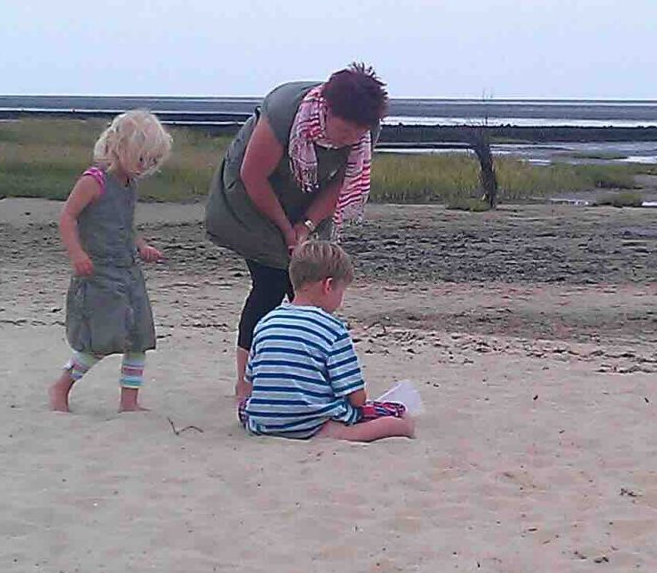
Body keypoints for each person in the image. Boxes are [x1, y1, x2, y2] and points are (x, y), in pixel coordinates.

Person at [204, 65, 388, 404]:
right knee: (271, 282)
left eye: (357, 134)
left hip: (307, 199)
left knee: (314, 286)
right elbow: (253, 176)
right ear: (328, 110)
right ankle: (246, 383)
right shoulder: (285, 111)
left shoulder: (365, 128)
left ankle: (309, 373)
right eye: (345, 131)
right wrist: (286, 231)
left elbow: (340, 183)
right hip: (252, 197)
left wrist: (305, 226)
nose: (350, 140)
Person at [49, 111, 171, 413]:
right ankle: (61, 386)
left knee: (139, 338)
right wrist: (77, 254)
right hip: (99, 272)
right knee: (99, 341)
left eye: (153, 162)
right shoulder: (94, 181)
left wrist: (142, 246)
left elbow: (124, 225)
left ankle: (129, 402)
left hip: (128, 271)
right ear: (121, 149)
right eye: (143, 159)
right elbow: (67, 218)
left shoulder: (130, 184)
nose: (146, 168)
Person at [240, 239, 414, 443]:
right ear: (328, 286)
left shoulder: (265, 322)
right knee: (396, 416)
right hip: (311, 422)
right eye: (342, 291)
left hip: (265, 421)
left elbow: (251, 380)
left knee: (245, 406)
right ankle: (339, 432)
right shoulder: (331, 329)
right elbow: (357, 398)